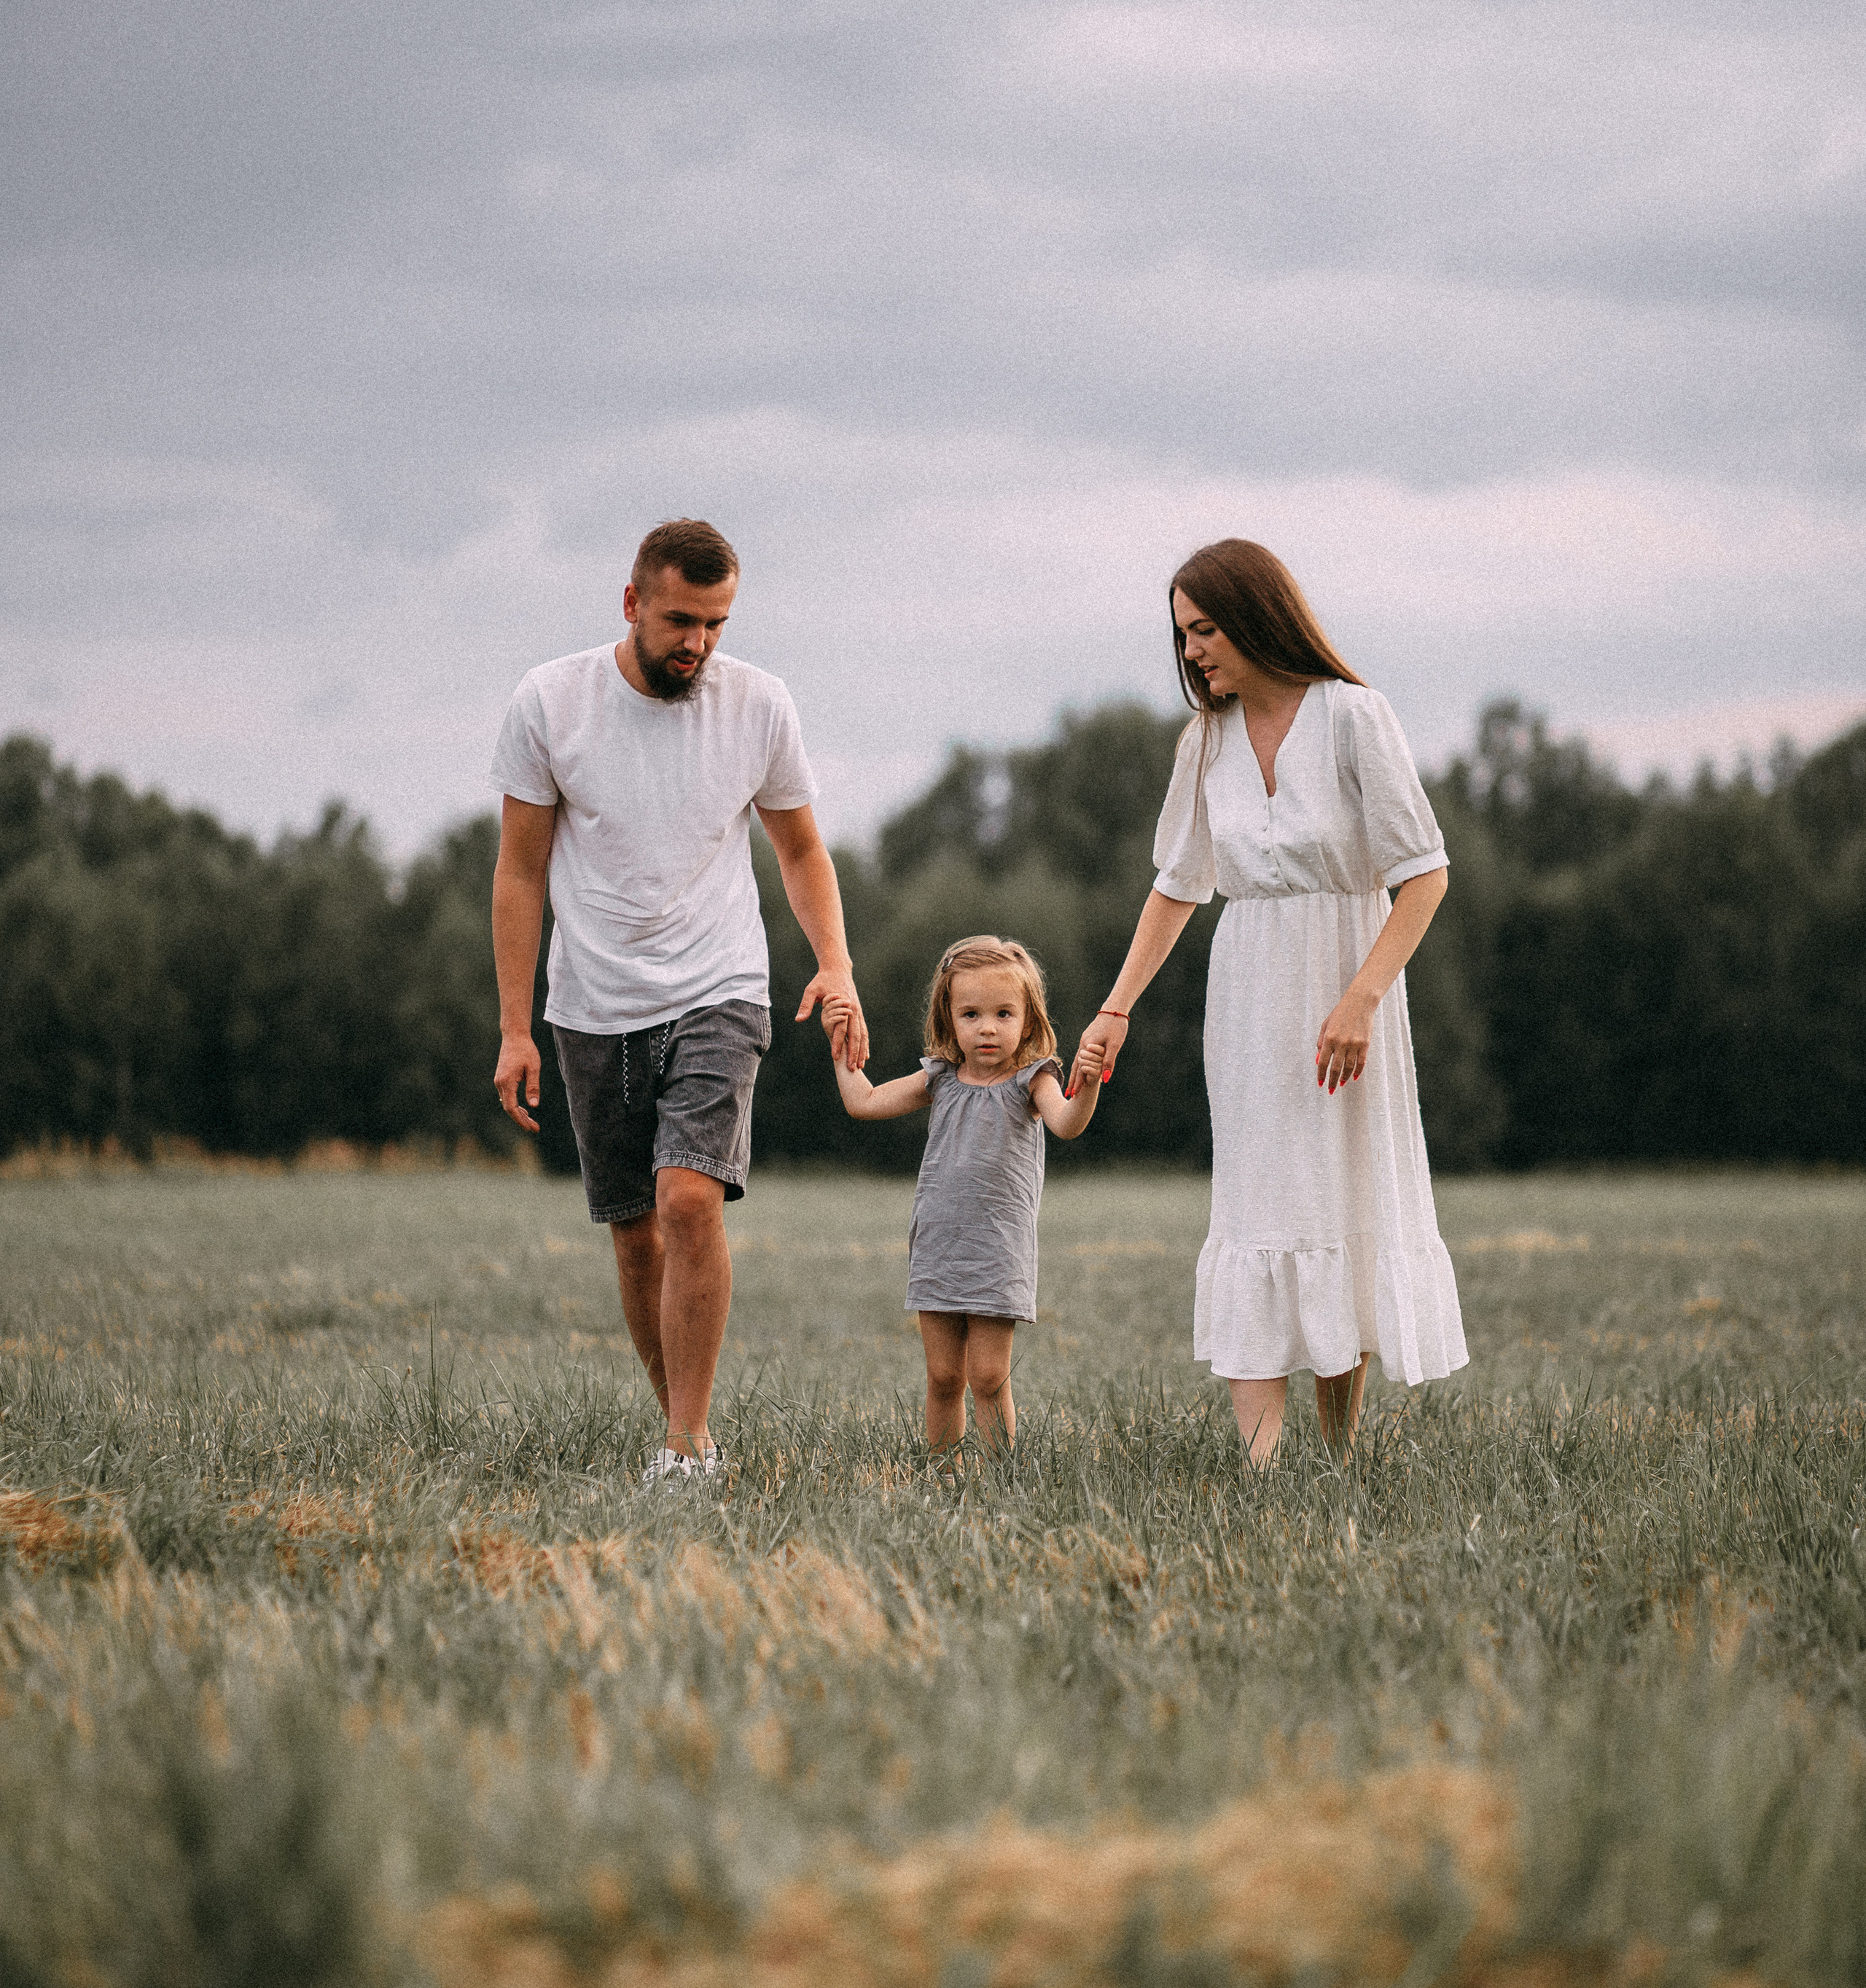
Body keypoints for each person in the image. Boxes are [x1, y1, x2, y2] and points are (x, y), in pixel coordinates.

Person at [1067, 540, 1466, 1466]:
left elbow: (1426, 876)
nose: (1192, 651)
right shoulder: (1204, 740)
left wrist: (1361, 996)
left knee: (1339, 1199)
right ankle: (1262, 1468)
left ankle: (1336, 1453)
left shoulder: (1355, 717)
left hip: (1350, 979)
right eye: (1182, 635)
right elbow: (1178, 884)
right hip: (1248, 989)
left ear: (1256, 616)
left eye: (1205, 629)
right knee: (1257, 1205)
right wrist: (1115, 1006)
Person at [489, 518, 869, 1483]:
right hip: (592, 1003)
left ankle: (685, 1447)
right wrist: (513, 1027)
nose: (697, 644)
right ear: (631, 604)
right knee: (634, 1238)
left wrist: (836, 963)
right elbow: (521, 872)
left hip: (720, 985)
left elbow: (799, 848)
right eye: (679, 621)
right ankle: (686, 1430)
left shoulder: (759, 706)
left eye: (716, 623)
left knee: (690, 1200)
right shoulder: (550, 702)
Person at [833, 936, 1101, 1465]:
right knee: (943, 1375)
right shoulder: (939, 1078)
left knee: (988, 1375)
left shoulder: (1033, 1080)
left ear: (1028, 1019)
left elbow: (1068, 1124)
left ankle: (1000, 1477)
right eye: (971, 1013)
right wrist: (842, 1046)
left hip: (998, 1250)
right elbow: (863, 1101)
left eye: (1004, 1013)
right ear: (948, 1018)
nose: (987, 1027)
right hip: (937, 1244)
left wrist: (1087, 1085)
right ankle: (942, 1475)